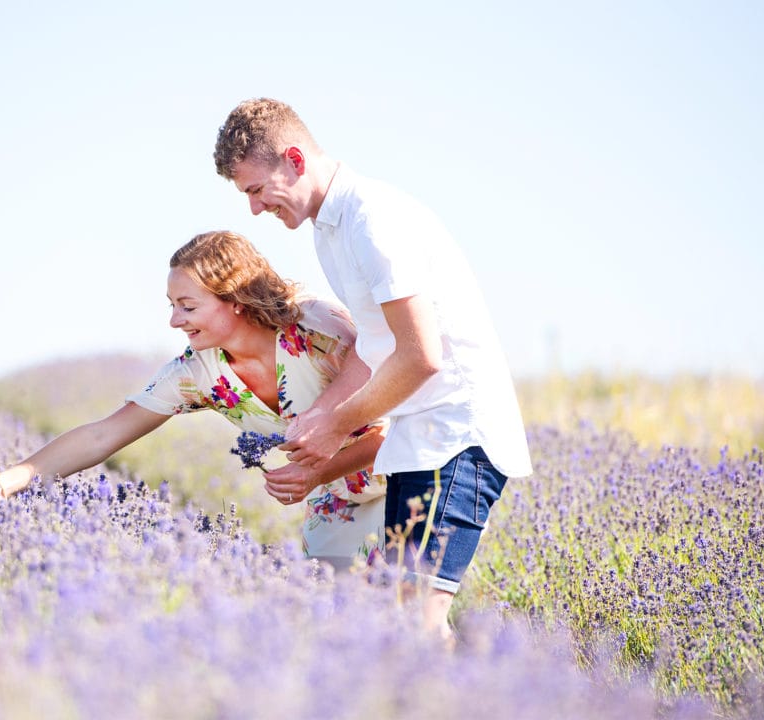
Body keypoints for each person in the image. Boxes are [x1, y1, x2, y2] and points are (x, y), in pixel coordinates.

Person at [213, 98, 533, 639]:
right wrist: (319, 415)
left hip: (456, 437)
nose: (254, 209)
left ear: (294, 159)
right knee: (403, 617)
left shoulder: (371, 219)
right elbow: (376, 347)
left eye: (255, 190)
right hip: (419, 438)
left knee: (412, 618)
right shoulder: (329, 230)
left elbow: (420, 356)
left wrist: (335, 427)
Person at [0, 230, 388, 567]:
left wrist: (317, 472)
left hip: (409, 476)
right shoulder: (198, 372)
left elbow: (396, 425)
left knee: (417, 615)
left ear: (235, 300)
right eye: (173, 306)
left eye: (187, 306)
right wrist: (3, 484)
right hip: (337, 506)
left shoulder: (318, 329)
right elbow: (103, 436)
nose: (175, 321)